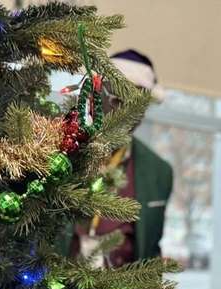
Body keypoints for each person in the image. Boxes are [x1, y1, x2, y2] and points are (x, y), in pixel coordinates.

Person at [69, 49, 173, 267]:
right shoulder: (63, 149)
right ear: (95, 97)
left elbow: (151, 249)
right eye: (117, 100)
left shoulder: (159, 172)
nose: (127, 113)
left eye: (137, 106)